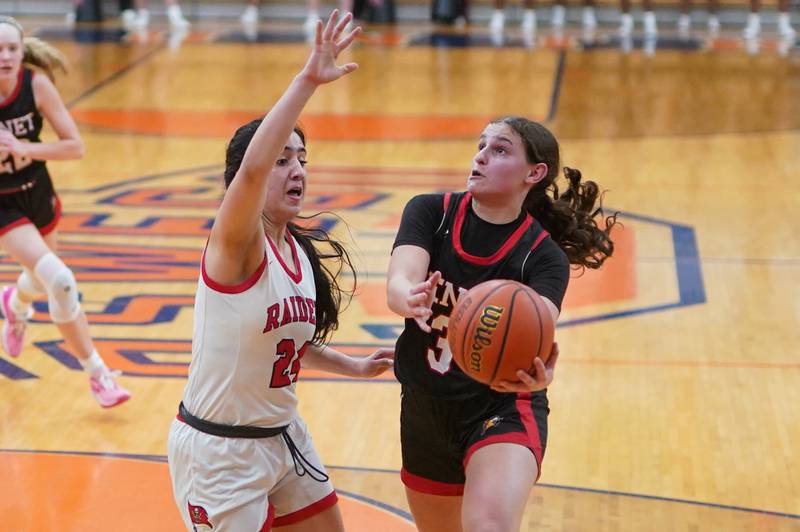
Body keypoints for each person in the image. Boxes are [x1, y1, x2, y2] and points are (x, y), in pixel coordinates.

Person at [167, 11, 394, 531]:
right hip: (219, 454)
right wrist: (307, 80)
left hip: (283, 435)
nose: (297, 170)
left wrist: (354, 367)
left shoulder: (296, 251)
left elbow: (286, 342)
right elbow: (250, 168)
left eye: (303, 159)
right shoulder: (236, 246)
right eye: (283, 159)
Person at [386, 117, 618, 531]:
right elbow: (400, 281)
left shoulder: (543, 257)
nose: (481, 156)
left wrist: (538, 368)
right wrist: (410, 297)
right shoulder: (429, 212)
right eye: (481, 145)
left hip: (501, 405)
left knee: (488, 526)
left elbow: (539, 328)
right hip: (424, 406)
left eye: (500, 150)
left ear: (534, 173)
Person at [0, 17, 131, 408]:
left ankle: (15, 303)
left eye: (12, 49)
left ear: (22, 53)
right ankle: (97, 375)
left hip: (38, 192)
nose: (5, 56)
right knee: (59, 280)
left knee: (40, 281)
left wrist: (24, 149)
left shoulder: (35, 85)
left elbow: (74, 146)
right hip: (3, 203)